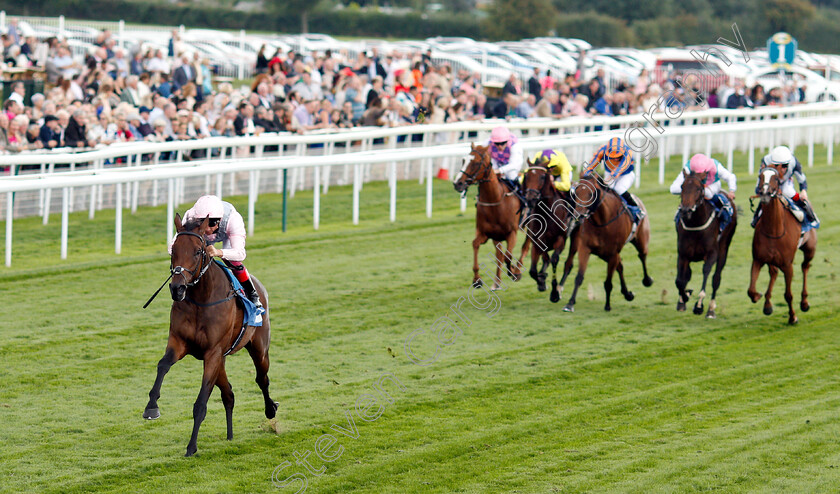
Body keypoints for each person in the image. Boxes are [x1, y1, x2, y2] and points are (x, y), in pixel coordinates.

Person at [169, 195, 263, 309]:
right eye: (202, 222)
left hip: (226, 235)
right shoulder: (191, 216)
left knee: (233, 261)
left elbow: (240, 254)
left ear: (220, 220)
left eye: (212, 223)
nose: (207, 229)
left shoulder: (233, 220)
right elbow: (172, 246)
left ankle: (252, 294)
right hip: (199, 237)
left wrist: (218, 252)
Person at [753, 146, 819, 228]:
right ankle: (756, 218)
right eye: (777, 165)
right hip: (771, 182)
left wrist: (803, 190)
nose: (782, 169)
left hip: (786, 181)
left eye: (785, 166)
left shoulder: (794, 162)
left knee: (788, 191)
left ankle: (810, 215)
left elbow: (801, 178)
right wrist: (758, 190)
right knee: (765, 195)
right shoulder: (766, 161)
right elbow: (760, 177)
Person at [582, 137, 645, 224]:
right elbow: (593, 163)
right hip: (609, 172)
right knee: (605, 192)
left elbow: (620, 168)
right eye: (613, 157)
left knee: (618, 189)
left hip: (626, 174)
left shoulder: (628, 152)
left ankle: (636, 209)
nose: (615, 158)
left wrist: (610, 178)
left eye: (618, 157)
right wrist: (585, 175)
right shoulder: (602, 150)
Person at [669, 153, 736, 232]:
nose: (701, 176)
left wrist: (732, 190)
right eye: (697, 173)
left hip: (712, 184)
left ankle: (724, 206)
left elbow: (731, 177)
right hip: (694, 187)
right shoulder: (687, 168)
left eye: (701, 173)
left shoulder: (716, 166)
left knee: (708, 193)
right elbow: (673, 189)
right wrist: (691, 191)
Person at [487, 126, 525, 196]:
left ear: (507, 141)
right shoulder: (488, 143)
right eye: (497, 144)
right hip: (497, 161)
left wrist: (499, 170)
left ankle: (520, 194)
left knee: (510, 175)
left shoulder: (515, 146)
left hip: (513, 163)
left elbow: (513, 164)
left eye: (503, 143)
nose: (500, 146)